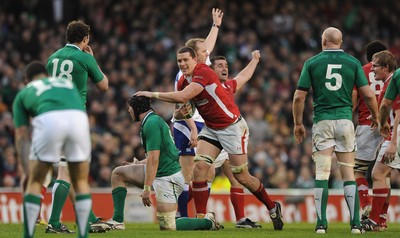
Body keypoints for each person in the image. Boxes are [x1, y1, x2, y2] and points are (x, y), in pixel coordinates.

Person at [135, 46, 284, 231]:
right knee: (199, 170)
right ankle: (203, 219)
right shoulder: (183, 81)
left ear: (195, 60)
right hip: (212, 128)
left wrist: (152, 94)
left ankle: (272, 207)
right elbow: (183, 109)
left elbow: (184, 96)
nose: (182, 64)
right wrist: (182, 116)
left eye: (185, 60)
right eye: (179, 61)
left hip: (232, 128)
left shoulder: (203, 72)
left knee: (241, 176)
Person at [292, 27, 379, 234]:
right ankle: (356, 225)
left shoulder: (312, 63)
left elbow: (298, 97)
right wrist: (376, 116)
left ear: (323, 40)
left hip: (323, 121)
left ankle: (321, 224)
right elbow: (368, 95)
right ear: (340, 42)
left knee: (322, 173)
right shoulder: (353, 62)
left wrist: (297, 123)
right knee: (348, 173)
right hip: (345, 121)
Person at [106, 95, 222, 231]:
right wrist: (138, 165)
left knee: (168, 225)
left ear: (138, 108)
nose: (129, 110)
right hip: (158, 173)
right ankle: (117, 220)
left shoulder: (151, 124)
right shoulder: (150, 121)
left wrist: (147, 188)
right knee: (118, 174)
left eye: (130, 107)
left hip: (168, 177)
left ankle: (208, 223)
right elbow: (159, 155)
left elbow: (154, 159)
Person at [45, 19, 110, 233]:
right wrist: (93, 60)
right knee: (68, 172)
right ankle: (54, 222)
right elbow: (104, 86)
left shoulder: (52, 59)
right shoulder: (84, 57)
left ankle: (88, 217)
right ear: (85, 39)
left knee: (69, 171)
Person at [13, 62, 92, 238]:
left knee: (35, 180)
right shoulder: (66, 84)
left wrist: (25, 168)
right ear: (47, 76)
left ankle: (28, 235)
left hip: (49, 121)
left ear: (27, 80)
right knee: (80, 181)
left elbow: (21, 134)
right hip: (79, 120)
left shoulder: (25, 92)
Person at [174, 8, 223, 219]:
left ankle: (192, 213)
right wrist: (193, 130)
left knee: (208, 172)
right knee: (187, 175)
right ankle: (182, 217)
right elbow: (182, 108)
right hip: (187, 124)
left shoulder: (203, 68)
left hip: (205, 125)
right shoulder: (183, 76)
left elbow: (209, 45)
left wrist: (216, 25)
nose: (207, 52)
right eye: (203, 51)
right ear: (194, 55)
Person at [207, 52, 262, 228]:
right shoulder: (204, 86)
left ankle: (240, 220)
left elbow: (243, 76)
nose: (225, 68)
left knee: (236, 178)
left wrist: (254, 60)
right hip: (210, 136)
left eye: (226, 66)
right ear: (210, 69)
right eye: (220, 66)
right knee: (203, 176)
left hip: (227, 135)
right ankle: (187, 214)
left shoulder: (228, 86)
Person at [362, 50, 397, 231]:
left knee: (377, 174)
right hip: (392, 133)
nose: (372, 68)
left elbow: (399, 112)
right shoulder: (388, 83)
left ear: (386, 67)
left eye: (375, 65)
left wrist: (393, 142)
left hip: (395, 136)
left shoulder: (393, 82)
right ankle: (380, 220)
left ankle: (375, 220)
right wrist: (378, 120)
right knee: (383, 175)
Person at [352, 41, 387, 220]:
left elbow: (354, 98)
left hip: (367, 124)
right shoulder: (392, 73)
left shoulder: (361, 70)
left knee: (358, 170)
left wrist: (349, 120)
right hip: (389, 124)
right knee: (383, 174)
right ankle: (381, 218)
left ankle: (365, 204)